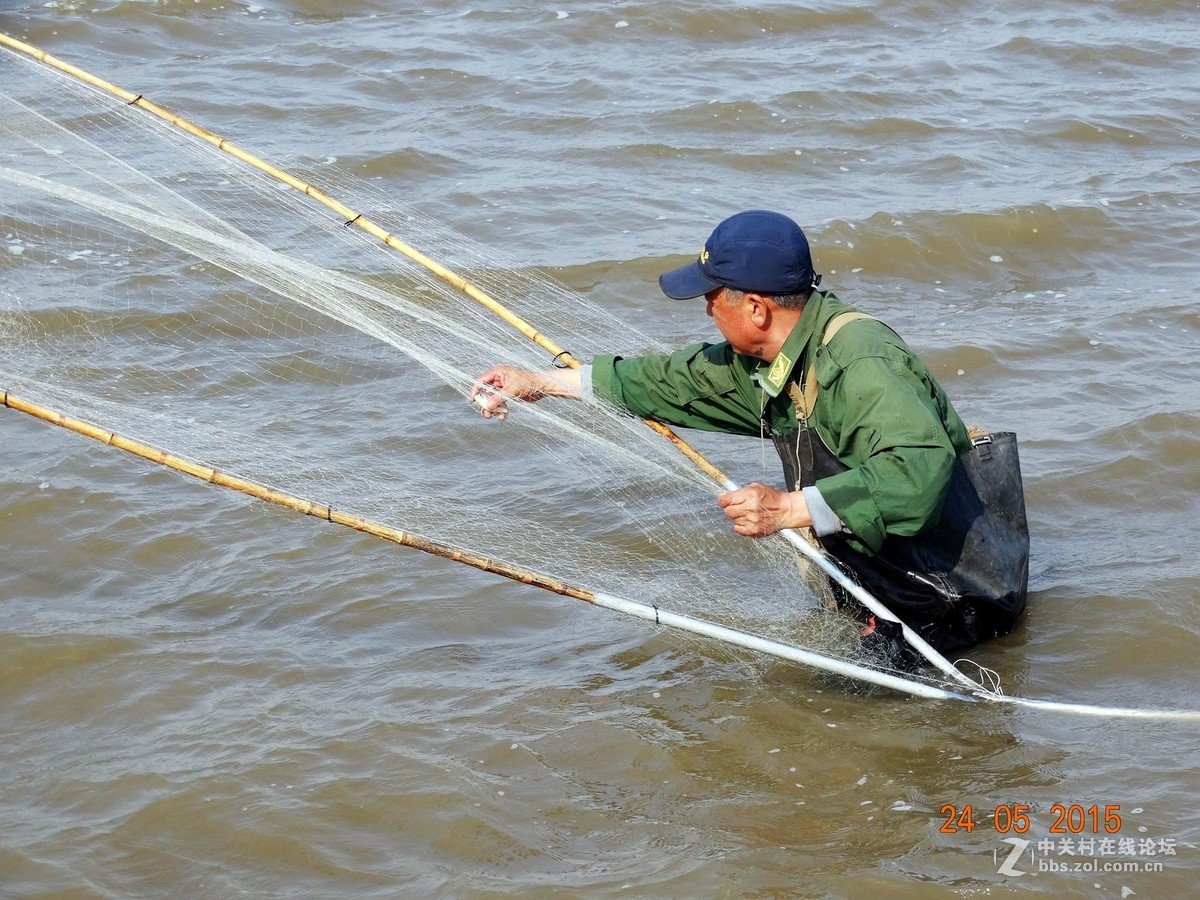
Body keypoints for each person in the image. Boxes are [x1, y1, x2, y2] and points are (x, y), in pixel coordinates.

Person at [471, 210, 1028, 662]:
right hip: (884, 594)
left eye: (713, 299)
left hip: (955, 601)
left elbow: (918, 472)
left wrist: (787, 509)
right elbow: (670, 382)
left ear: (757, 308)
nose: (707, 311)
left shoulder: (861, 361)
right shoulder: (770, 359)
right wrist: (541, 382)